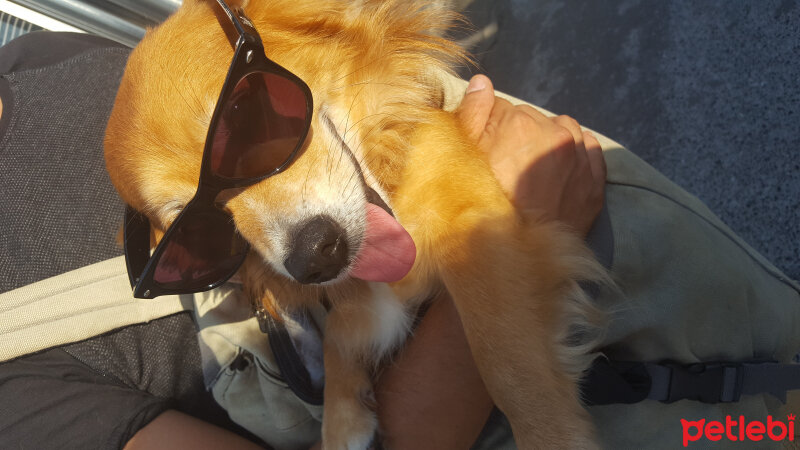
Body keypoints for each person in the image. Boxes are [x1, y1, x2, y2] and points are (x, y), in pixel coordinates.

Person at [1, 30, 798, 450]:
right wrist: (507, 222)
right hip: (519, 387)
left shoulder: (35, 56)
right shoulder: (13, 390)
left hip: (641, 258)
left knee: (775, 371)